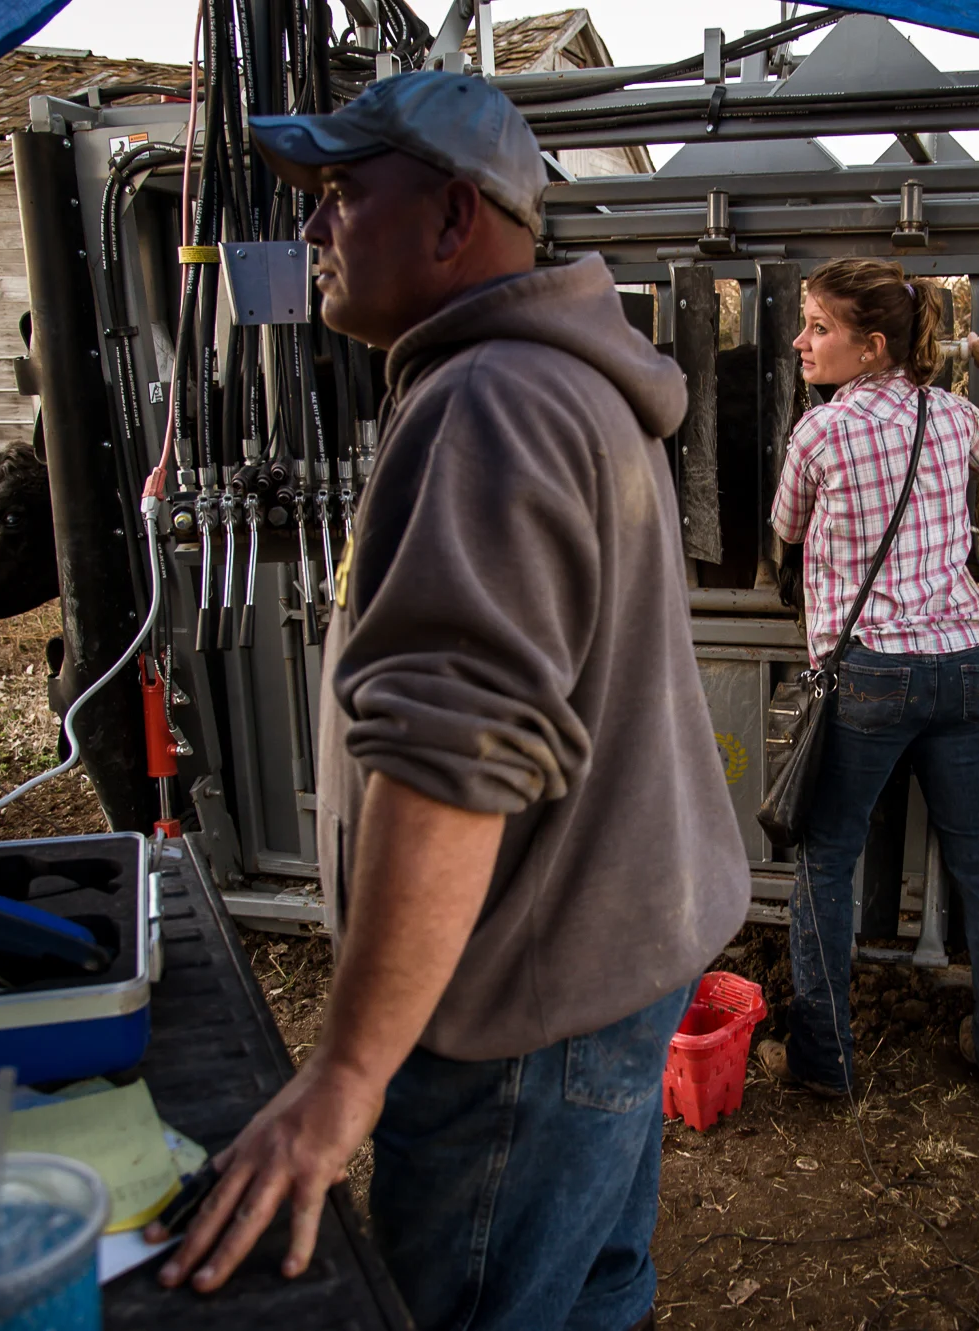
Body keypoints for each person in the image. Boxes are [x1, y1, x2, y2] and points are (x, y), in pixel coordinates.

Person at [151, 71, 750, 1328]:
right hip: (612, 966)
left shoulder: (490, 401)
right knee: (593, 1287)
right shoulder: (575, 385)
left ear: (448, 216)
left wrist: (347, 1073)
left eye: (338, 195)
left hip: (519, 1014)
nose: (314, 230)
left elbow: (452, 765)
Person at [760, 258, 979, 1099]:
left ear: (872, 347)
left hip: (870, 675)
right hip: (964, 667)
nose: (801, 341)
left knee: (824, 861)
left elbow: (786, 528)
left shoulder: (822, 433)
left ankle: (825, 1063)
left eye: (819, 327)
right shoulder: (950, 413)